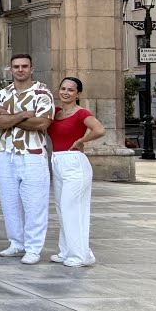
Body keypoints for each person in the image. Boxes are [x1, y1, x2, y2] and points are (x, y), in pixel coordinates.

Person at [0, 53, 54, 265]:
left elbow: (42, 123)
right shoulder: (3, 93)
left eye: (24, 66)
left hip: (32, 153)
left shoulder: (42, 92)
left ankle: (33, 247)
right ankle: (16, 242)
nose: (20, 70)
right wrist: (22, 115)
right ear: (11, 69)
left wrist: (9, 117)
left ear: (31, 68)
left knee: (35, 203)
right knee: (9, 202)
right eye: (16, 66)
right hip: (5, 153)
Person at [48, 77, 103, 268]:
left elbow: (99, 130)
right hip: (57, 161)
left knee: (72, 208)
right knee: (62, 209)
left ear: (77, 93)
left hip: (75, 163)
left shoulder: (82, 113)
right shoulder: (55, 113)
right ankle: (66, 251)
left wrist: (81, 141)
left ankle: (82, 255)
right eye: (63, 88)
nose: (66, 92)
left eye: (71, 90)